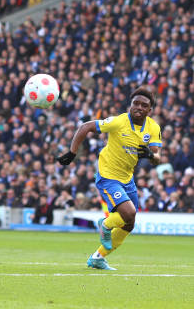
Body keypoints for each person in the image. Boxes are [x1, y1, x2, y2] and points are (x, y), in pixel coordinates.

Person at [57, 87, 162, 271]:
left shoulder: (153, 128)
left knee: (129, 224)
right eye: (135, 103)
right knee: (128, 212)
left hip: (127, 178)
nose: (138, 107)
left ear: (149, 110)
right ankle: (104, 224)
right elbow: (86, 126)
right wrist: (72, 153)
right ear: (130, 105)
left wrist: (151, 156)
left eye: (143, 105)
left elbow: (157, 157)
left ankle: (98, 257)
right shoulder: (118, 121)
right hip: (108, 175)